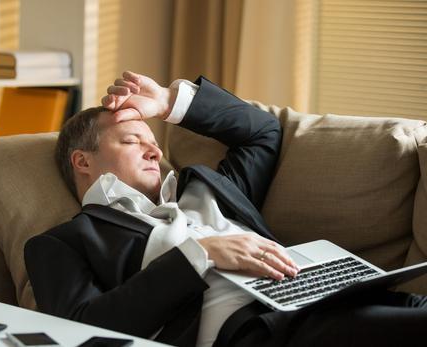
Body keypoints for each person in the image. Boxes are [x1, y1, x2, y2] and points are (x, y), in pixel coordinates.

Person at [24, 71, 427, 347]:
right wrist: (200, 254)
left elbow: (263, 133)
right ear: (82, 161)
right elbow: (81, 329)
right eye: (132, 140)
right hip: (257, 329)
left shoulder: (208, 189)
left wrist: (169, 102)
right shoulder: (64, 242)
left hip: (321, 296)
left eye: (153, 139)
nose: (155, 149)